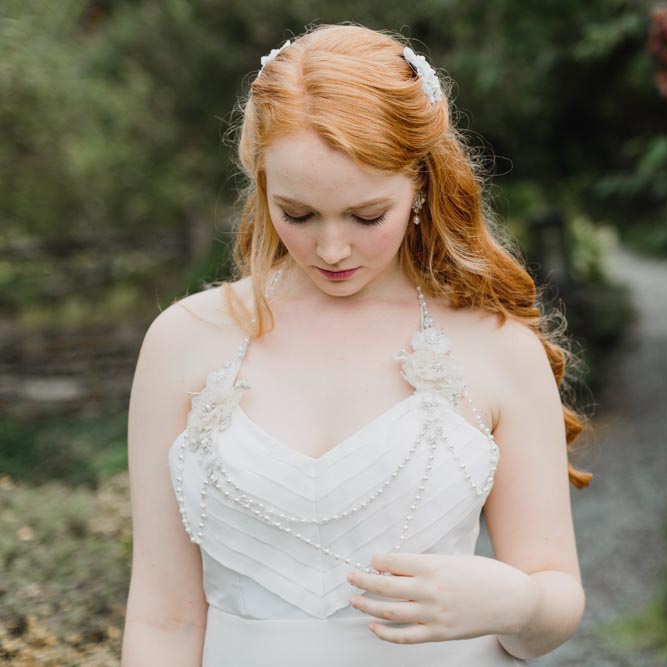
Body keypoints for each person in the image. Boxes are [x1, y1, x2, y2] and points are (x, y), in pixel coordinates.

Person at [121, 22, 592, 666]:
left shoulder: (496, 347)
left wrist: (518, 606)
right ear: (262, 186)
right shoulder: (184, 341)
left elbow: (555, 599)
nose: (333, 250)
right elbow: (163, 618)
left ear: (420, 184)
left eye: (368, 216)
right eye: (299, 214)